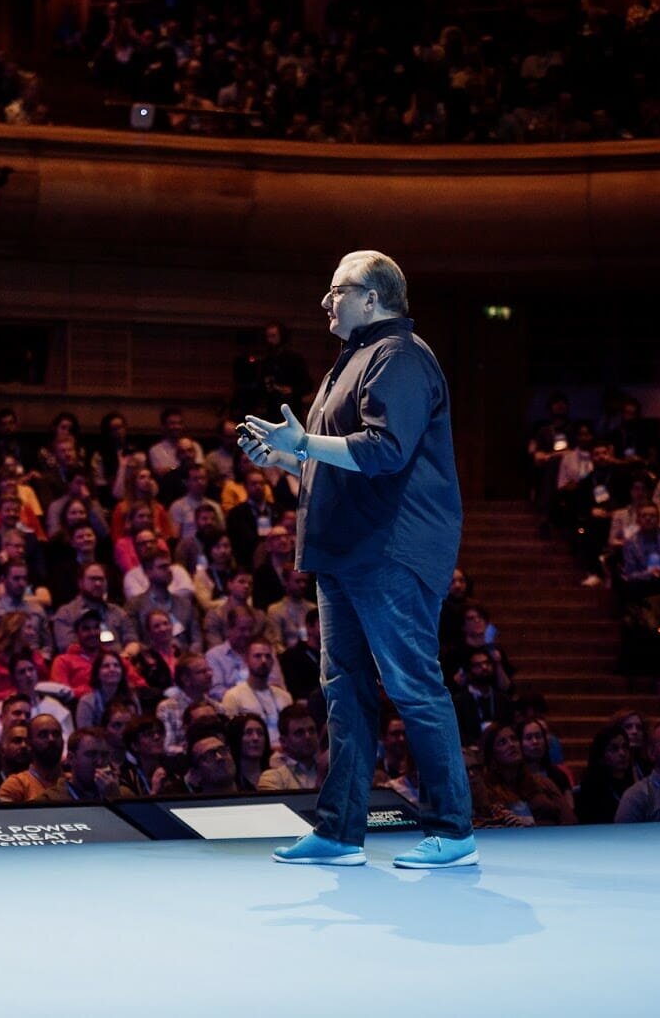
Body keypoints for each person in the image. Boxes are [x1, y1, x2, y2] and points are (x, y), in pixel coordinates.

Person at [245, 251, 475, 869]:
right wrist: (286, 457)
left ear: (371, 298)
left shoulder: (399, 355)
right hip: (347, 551)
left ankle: (453, 831)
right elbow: (336, 462)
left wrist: (305, 444)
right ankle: (341, 832)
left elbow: (384, 451)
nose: (326, 300)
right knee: (343, 690)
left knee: (412, 685)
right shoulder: (350, 360)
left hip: (389, 550)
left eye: (337, 290)